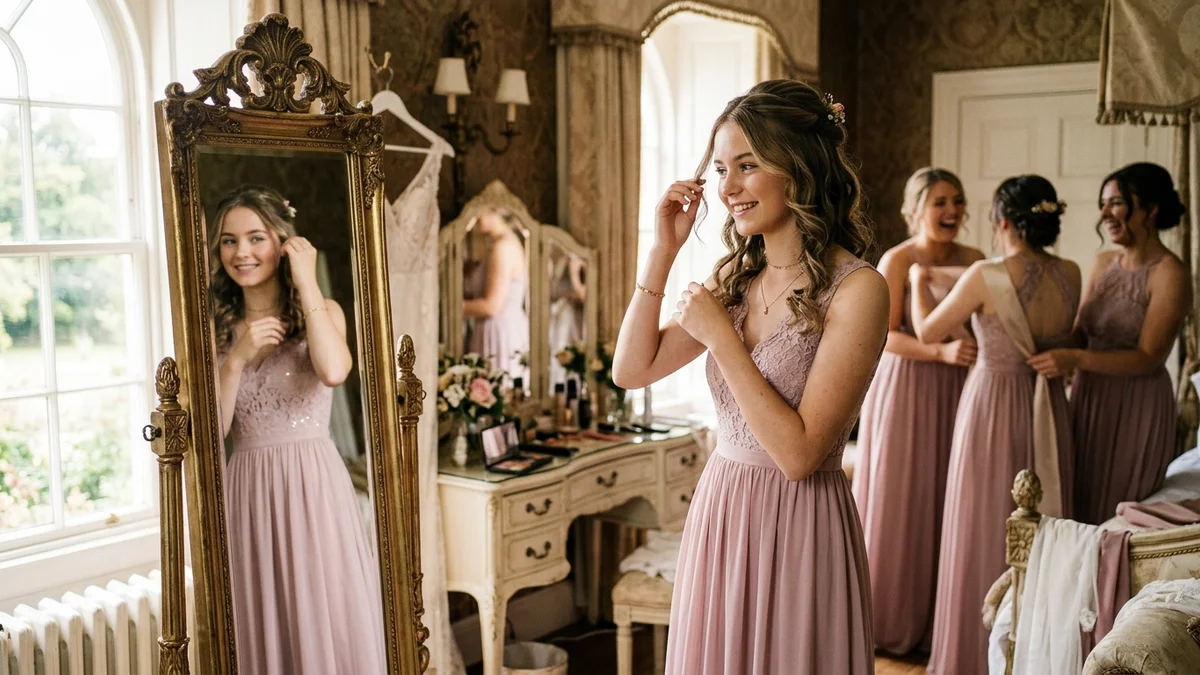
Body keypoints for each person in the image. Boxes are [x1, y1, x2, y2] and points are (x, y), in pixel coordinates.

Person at [612, 79, 889, 674]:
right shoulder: (736, 279)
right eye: (719, 169)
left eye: (747, 165)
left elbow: (799, 455)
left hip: (800, 523)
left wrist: (722, 339)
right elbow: (631, 369)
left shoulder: (860, 289)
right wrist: (663, 251)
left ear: (799, 169)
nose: (728, 188)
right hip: (723, 510)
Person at [210, 185, 386, 675]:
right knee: (263, 616)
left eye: (255, 238)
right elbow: (213, 435)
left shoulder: (324, 313)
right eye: (228, 241)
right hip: (247, 489)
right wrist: (235, 363)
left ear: (282, 244)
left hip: (313, 487)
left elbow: (334, 371)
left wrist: (306, 282)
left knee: (324, 609)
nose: (241, 252)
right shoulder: (213, 327)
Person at [912, 175, 1080, 674]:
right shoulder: (1071, 271)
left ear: (1002, 221)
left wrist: (920, 282)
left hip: (991, 406)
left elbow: (927, 330)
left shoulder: (985, 274)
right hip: (1049, 404)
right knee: (1044, 527)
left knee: (982, 523)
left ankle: (970, 655)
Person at [853, 167, 984, 655]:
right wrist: (940, 353)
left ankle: (942, 624)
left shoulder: (975, 259)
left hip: (961, 389)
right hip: (908, 386)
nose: (951, 211)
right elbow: (882, 335)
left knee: (949, 496)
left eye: (957, 201)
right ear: (915, 211)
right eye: (939, 202)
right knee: (902, 495)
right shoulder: (896, 260)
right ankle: (888, 622)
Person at [1028, 162, 1191, 524]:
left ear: (1151, 208)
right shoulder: (1103, 262)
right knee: (1078, 501)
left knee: (1116, 513)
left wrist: (1073, 358)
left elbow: (1148, 357)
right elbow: (1080, 332)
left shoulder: (1171, 274)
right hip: (1088, 398)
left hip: (1137, 406)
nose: (1104, 214)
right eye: (1104, 204)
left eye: (1116, 203)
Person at [463, 208, 529, 379]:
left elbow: (491, 306)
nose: (475, 217)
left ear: (494, 211)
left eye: (480, 211)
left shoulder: (503, 247)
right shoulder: (499, 244)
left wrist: (451, 308)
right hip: (495, 328)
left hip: (499, 332)